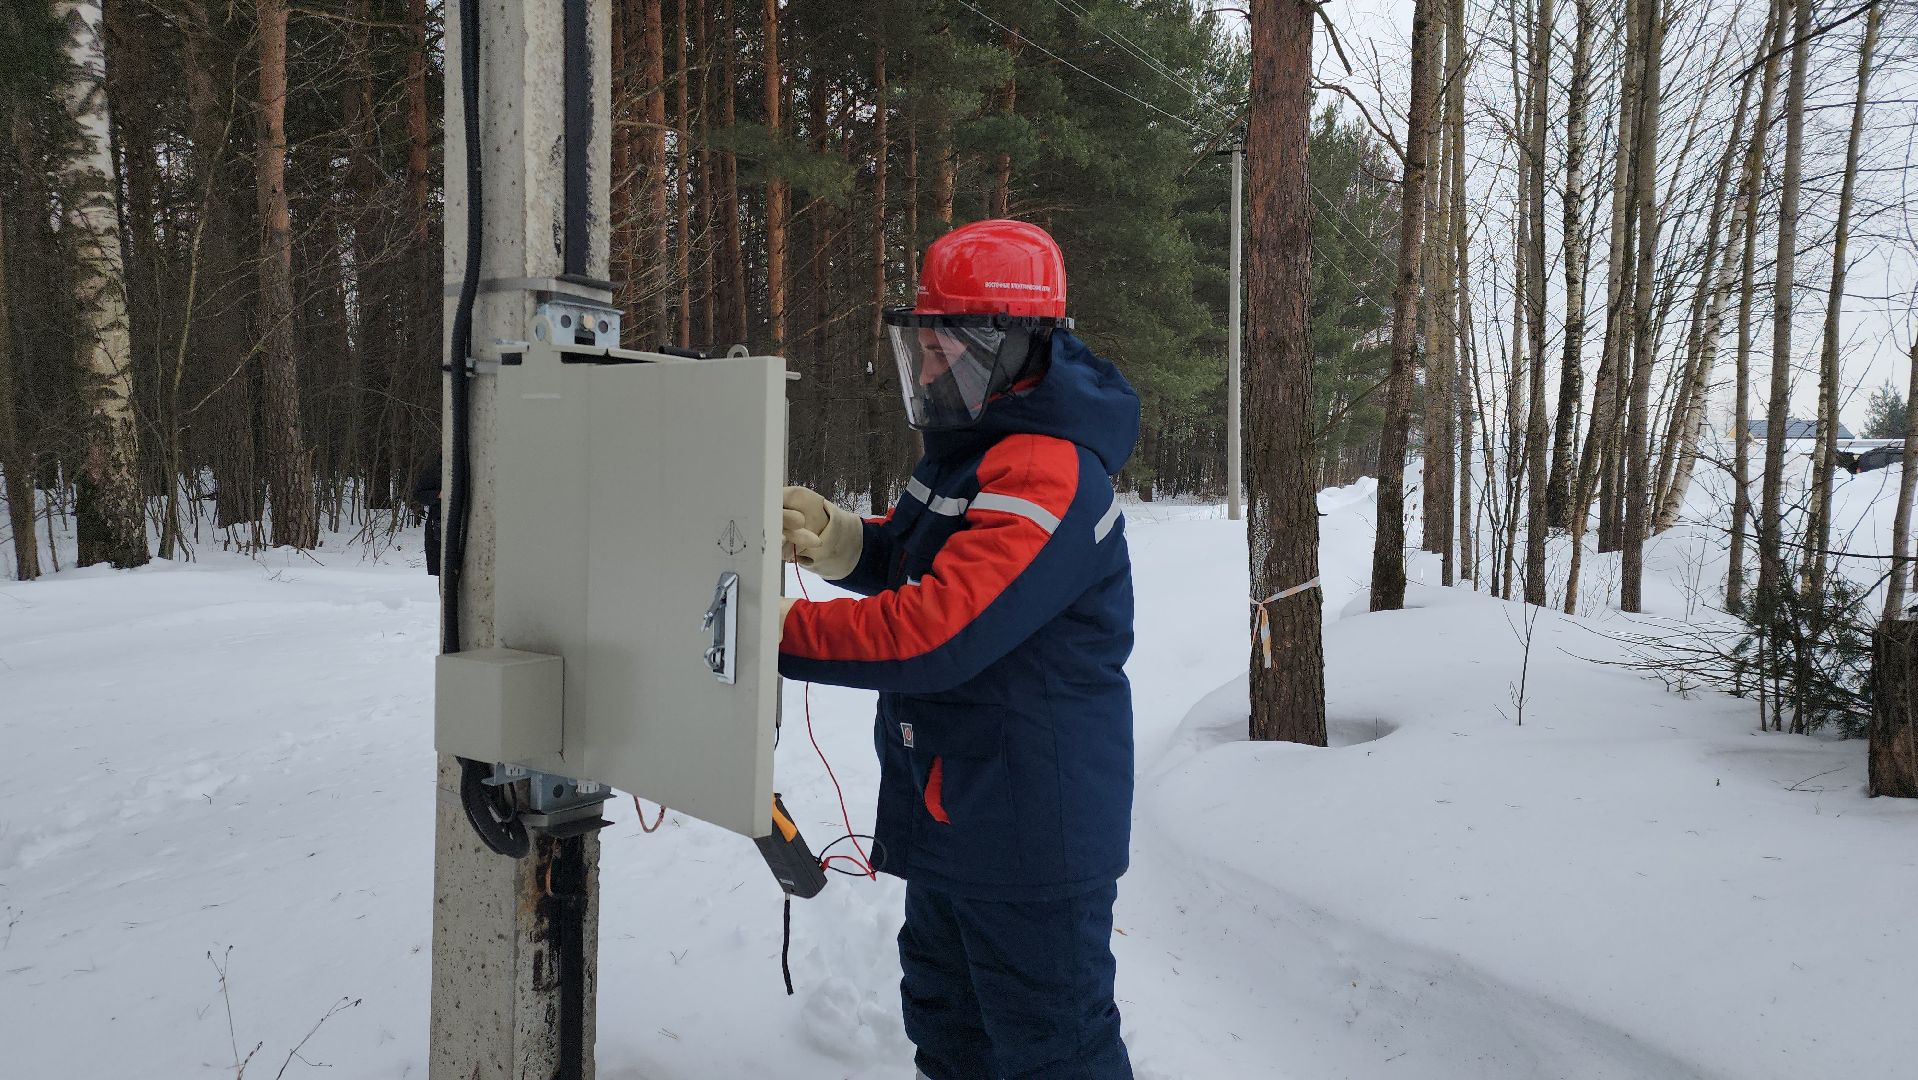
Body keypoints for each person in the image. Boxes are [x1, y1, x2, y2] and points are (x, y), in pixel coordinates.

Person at [777, 219, 1139, 1080]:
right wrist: (842, 543)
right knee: (950, 1027)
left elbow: (938, 630)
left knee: (1055, 1051)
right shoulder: (968, 457)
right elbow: (913, 558)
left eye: (955, 344)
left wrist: (766, 635)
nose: (934, 364)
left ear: (1021, 346)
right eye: (925, 342)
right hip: (958, 807)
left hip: (1027, 829)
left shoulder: (1047, 470)